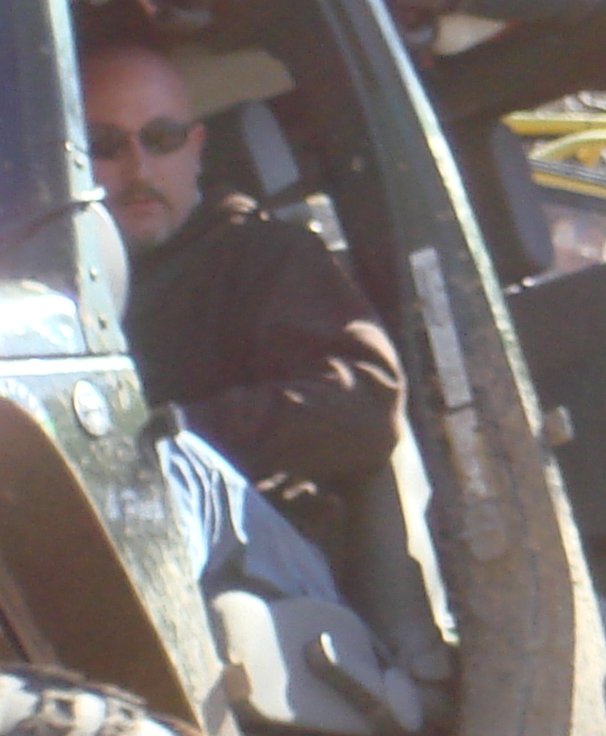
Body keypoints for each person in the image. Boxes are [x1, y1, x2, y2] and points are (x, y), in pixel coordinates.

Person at [82, 35, 405, 601]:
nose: (138, 167)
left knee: (167, 469)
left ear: (196, 148)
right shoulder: (53, 299)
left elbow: (365, 402)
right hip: (122, 538)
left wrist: (164, 436)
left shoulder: (264, 257)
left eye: (162, 138)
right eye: (106, 146)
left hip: (273, 564)